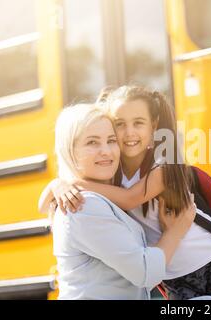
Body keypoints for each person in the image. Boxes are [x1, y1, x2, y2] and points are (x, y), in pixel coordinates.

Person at [39, 86, 211, 300]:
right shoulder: (111, 172)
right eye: (119, 125)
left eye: (138, 123)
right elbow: (43, 206)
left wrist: (75, 182)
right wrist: (58, 184)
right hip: (173, 273)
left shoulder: (163, 167)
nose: (129, 133)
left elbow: (130, 200)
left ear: (154, 126)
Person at [45, 103, 195, 299]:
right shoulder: (83, 205)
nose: (106, 151)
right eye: (92, 142)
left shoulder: (102, 195)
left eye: (111, 140)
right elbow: (145, 272)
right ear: (69, 150)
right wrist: (175, 231)